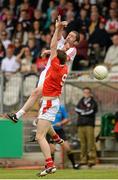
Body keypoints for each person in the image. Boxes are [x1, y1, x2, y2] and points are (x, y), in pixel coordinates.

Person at [7, 16, 69, 177]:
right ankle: (55, 143)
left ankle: (50, 165)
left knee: (39, 135)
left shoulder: (55, 67)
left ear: (56, 59)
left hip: (49, 103)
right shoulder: (64, 68)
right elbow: (58, 51)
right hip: (51, 101)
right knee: (43, 128)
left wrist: (57, 29)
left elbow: (54, 45)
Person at [7, 17, 80, 122]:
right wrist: (58, 27)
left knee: (36, 93)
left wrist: (52, 51)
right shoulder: (63, 42)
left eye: (72, 37)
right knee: (39, 97)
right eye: (69, 34)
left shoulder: (73, 49)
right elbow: (56, 38)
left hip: (55, 75)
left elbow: (63, 58)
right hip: (47, 71)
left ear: (76, 42)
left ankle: (18, 116)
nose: (69, 36)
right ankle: (44, 128)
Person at [47, 104, 80, 169]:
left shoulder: (61, 107)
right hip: (50, 130)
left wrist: (61, 123)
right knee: (52, 150)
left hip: (60, 131)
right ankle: (51, 167)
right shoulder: (47, 106)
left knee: (67, 148)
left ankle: (74, 165)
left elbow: (66, 119)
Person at [75, 87, 98, 168]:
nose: (86, 94)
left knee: (90, 142)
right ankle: (83, 160)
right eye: (84, 92)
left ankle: (92, 160)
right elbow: (77, 109)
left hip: (89, 125)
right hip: (80, 124)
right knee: (83, 143)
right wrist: (84, 111)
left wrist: (83, 112)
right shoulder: (80, 101)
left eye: (87, 92)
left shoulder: (93, 102)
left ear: (90, 93)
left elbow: (91, 111)